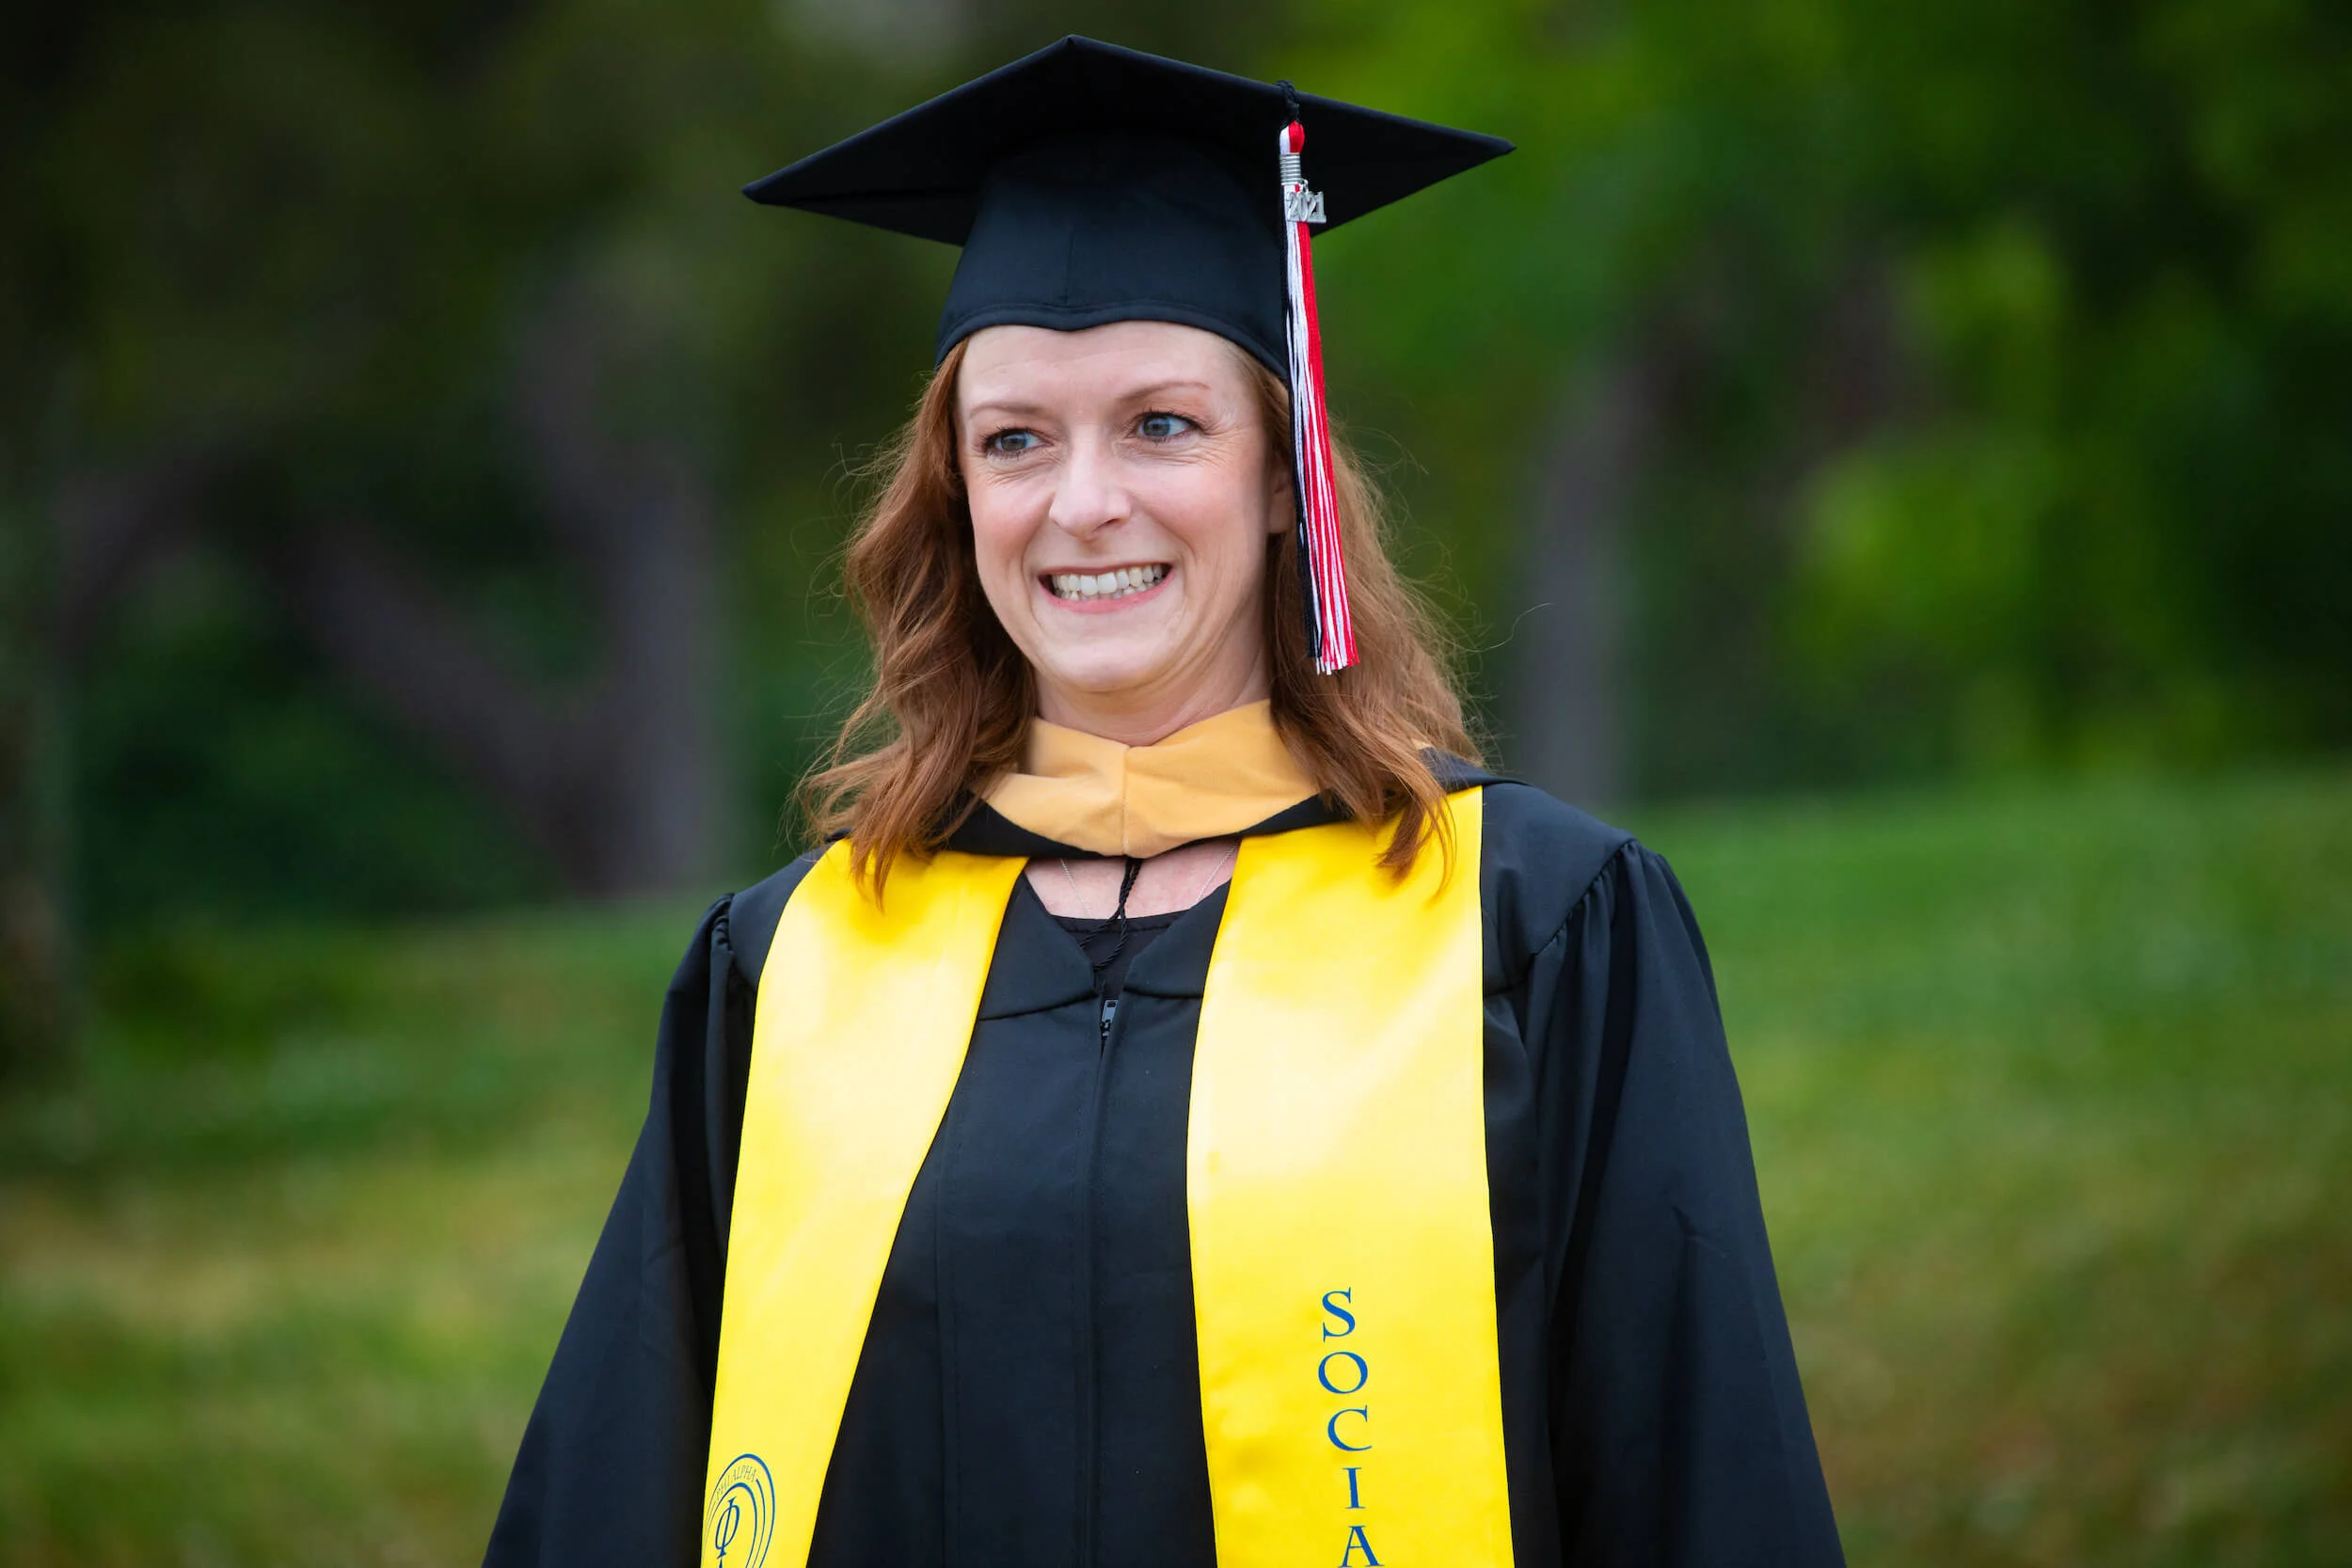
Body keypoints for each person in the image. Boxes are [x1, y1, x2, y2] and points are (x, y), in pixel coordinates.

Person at [485, 36, 1843, 1568]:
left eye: (1162, 424)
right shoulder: (796, 966)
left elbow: (1702, 1484)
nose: (1084, 503)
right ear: (957, 493)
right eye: (1015, 440)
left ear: (1283, 475)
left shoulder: (1526, 929)